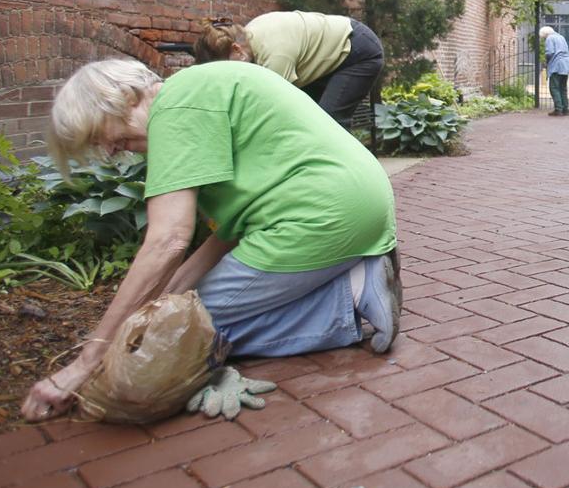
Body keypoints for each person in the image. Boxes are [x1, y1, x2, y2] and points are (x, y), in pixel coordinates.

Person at [20, 58, 400, 423]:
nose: (107, 150)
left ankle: (346, 297)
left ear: (119, 97)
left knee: (178, 335)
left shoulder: (174, 109)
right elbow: (227, 235)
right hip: (354, 202)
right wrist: (158, 302)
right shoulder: (198, 93)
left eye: (97, 134)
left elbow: (167, 241)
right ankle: (355, 280)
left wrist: (88, 361)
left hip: (320, 215)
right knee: (171, 319)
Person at [193, 11, 384, 127]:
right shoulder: (250, 38)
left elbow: (274, 112)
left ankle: (347, 176)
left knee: (330, 123)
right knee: (309, 121)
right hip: (325, 56)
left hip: (357, 50)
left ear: (236, 49)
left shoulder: (276, 56)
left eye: (226, 68)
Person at [539, 25, 569, 116]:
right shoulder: (561, 37)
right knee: (563, 88)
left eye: (543, 37)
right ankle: (565, 109)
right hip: (566, 65)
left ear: (545, 34)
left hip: (556, 66)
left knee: (554, 87)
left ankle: (558, 109)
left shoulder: (550, 38)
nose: (544, 39)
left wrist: (545, 61)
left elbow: (549, 52)